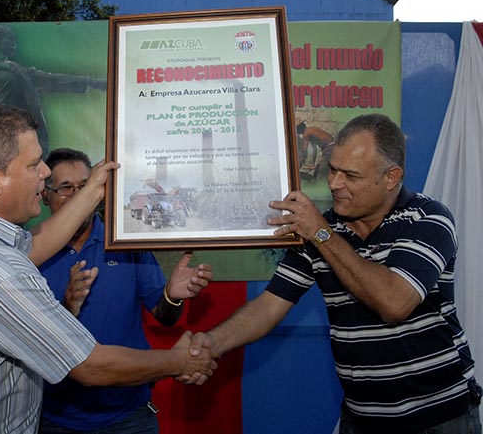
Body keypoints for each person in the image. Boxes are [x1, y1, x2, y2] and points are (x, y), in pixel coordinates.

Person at [0, 104, 217, 434]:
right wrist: (180, 361)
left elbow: (33, 247)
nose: (44, 172)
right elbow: (89, 365)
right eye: (33, 165)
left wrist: (93, 189)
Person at [191, 114, 482, 433]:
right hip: (361, 419)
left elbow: (394, 302)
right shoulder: (323, 229)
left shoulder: (427, 219)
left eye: (350, 175)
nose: (334, 183)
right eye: (332, 169)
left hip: (439, 418)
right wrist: (210, 343)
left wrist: (322, 234)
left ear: (390, 177)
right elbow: (269, 306)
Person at [37, 148, 213, 433]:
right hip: (56, 418)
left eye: (86, 186)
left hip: (129, 416)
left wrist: (173, 294)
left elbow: (165, 315)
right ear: (45, 195)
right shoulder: (31, 252)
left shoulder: (124, 242)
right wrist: (67, 306)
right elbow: (35, 340)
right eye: (66, 188)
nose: (79, 196)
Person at [0, 24, 107, 156]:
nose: (14, 44)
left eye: (14, 41)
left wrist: (92, 82)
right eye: (10, 39)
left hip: (17, 141)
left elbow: (53, 80)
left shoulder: (19, 72)